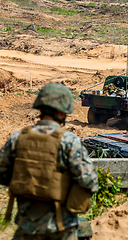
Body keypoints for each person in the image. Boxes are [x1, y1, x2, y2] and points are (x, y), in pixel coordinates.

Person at [0, 83, 99, 240]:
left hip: (26, 226)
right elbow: (90, 181)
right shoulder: (69, 141)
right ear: (63, 112)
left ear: (39, 109)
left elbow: (3, 175)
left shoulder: (17, 138)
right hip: (61, 228)